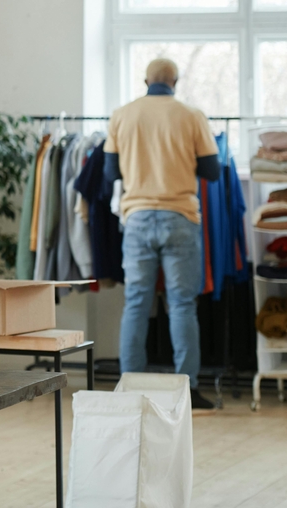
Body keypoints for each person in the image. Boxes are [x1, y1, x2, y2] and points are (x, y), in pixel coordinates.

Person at [105, 58, 219, 410]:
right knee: (182, 305)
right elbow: (212, 171)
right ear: (176, 81)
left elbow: (110, 172)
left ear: (144, 80)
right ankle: (188, 389)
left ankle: (130, 387)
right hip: (180, 216)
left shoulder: (122, 115)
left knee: (137, 303)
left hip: (137, 217)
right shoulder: (191, 115)